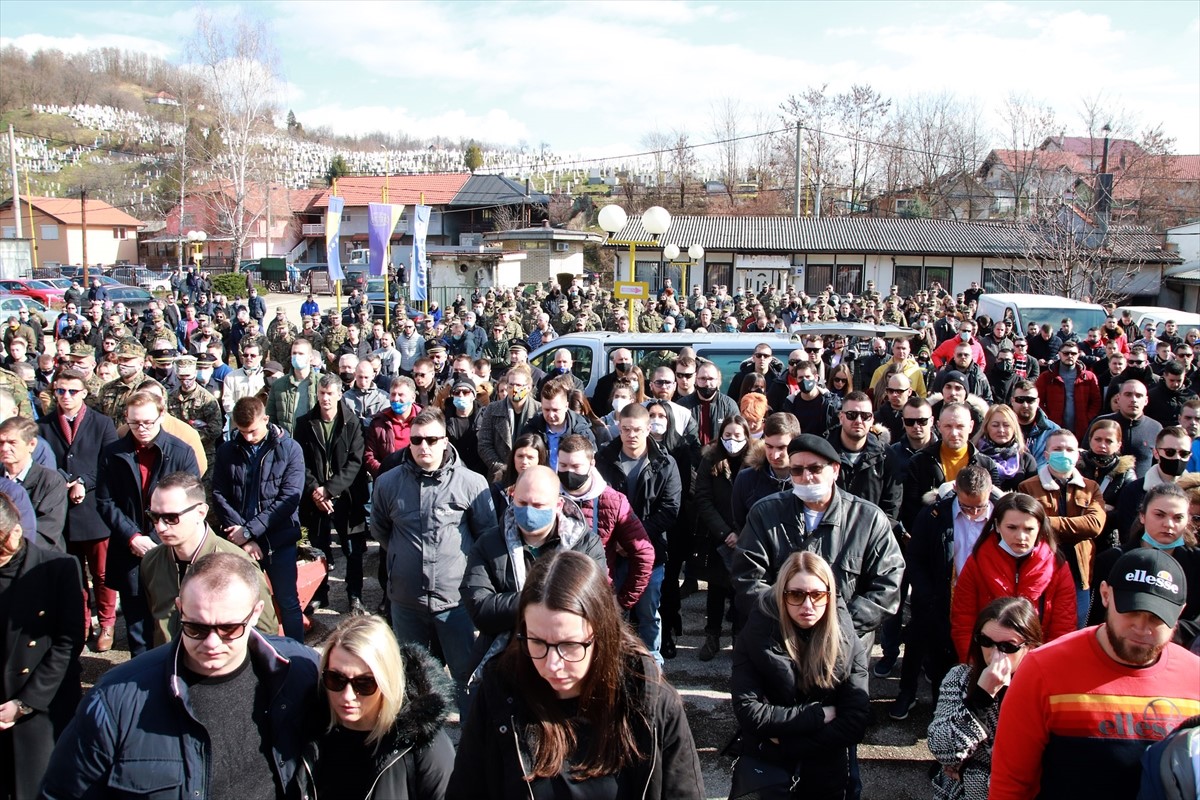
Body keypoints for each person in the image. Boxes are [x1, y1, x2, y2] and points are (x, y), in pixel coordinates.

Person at [41, 552, 321, 800]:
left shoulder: (298, 670)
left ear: (256, 613)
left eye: (229, 628)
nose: (212, 643)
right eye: (196, 628)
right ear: (179, 608)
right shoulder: (115, 700)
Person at [447, 550, 705, 799]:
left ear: (602, 635)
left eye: (569, 645)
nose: (552, 665)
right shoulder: (501, 695)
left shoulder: (651, 703)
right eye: (537, 642)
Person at [990, 548, 1200, 799]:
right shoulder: (1042, 669)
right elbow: (1010, 783)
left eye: (1157, 618)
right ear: (1105, 595)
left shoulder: (1194, 676)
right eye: (1131, 611)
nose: (1141, 628)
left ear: (1180, 612)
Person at [371, 407, 497, 717]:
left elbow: (486, 536)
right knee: (411, 678)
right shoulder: (388, 483)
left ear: (445, 440)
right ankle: (420, 745)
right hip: (406, 600)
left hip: (455, 603)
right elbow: (381, 531)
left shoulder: (472, 483)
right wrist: (404, 558)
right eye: (416, 440)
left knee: (465, 678)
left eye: (431, 439)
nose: (423, 447)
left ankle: (471, 742)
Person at [733, 433, 904, 648]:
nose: (806, 477)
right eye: (796, 470)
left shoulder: (868, 519)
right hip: (781, 644)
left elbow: (887, 585)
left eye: (815, 469)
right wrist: (791, 622)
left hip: (845, 646)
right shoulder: (764, 513)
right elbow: (748, 579)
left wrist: (835, 627)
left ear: (835, 470)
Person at [731, 551, 869, 800]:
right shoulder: (755, 634)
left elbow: (855, 722)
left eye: (817, 595)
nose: (808, 605)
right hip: (767, 772)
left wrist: (786, 742)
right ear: (782, 595)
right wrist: (818, 715)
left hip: (825, 774)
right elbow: (749, 712)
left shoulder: (847, 640)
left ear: (829, 596)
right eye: (796, 595)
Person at [463, 465, 606, 673]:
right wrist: (544, 598)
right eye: (522, 503)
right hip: (505, 663)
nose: (529, 511)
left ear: (558, 505)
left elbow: (593, 604)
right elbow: (480, 608)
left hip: (565, 664)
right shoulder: (488, 543)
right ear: (513, 497)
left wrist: (518, 603)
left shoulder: (586, 545)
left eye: (539, 505)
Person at [97, 390, 200, 655]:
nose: (141, 429)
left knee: (172, 620)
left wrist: (155, 538)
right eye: (134, 423)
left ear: (161, 415)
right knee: (136, 624)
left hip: (170, 548)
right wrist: (133, 537)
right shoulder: (113, 454)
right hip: (129, 548)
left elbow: (190, 502)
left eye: (147, 422)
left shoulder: (181, 452)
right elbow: (105, 501)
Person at [311, 616, 455, 800]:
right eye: (336, 679)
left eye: (364, 683)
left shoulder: (423, 747)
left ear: (388, 681)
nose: (347, 696)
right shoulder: (310, 728)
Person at [0, 492, 84, 800]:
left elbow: (68, 642)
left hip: (40, 705)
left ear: (16, 532)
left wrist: (24, 704)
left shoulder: (58, 567)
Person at [139, 472, 278, 647]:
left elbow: (266, 634)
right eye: (154, 517)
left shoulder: (238, 566)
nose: (160, 527)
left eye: (171, 518)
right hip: (170, 668)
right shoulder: (151, 562)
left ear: (201, 512)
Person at [927, 597, 1044, 800]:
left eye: (1008, 647)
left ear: (1030, 647)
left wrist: (968, 773)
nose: (995, 654)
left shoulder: (1042, 691)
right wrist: (981, 697)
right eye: (986, 642)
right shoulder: (960, 678)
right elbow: (941, 749)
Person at [211, 396, 307, 641]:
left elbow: (288, 499)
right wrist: (243, 537)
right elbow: (219, 493)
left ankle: (297, 654)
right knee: (240, 604)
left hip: (278, 539)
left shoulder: (290, 449)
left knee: (288, 602)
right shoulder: (227, 450)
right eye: (241, 431)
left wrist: (250, 531)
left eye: (252, 431)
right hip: (239, 540)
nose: (247, 437)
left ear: (266, 419)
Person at [594, 402, 681, 663]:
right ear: (618, 429)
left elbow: (670, 509)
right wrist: (618, 540)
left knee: (648, 613)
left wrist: (632, 540)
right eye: (626, 429)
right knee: (612, 613)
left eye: (637, 430)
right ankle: (612, 661)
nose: (632, 435)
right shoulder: (603, 460)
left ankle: (651, 662)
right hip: (612, 553)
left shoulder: (665, 463)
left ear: (648, 429)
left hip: (650, 552)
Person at [950, 493, 1076, 661]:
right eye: (1012, 527)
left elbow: (1063, 627)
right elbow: (963, 621)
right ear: (997, 525)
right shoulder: (977, 563)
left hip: (1037, 666)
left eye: (1029, 529)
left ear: (1040, 528)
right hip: (986, 661)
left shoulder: (1057, 567)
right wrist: (974, 664)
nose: (1021, 537)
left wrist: (1047, 669)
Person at [1088, 484, 1200, 651]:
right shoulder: (1112, 560)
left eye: (1178, 518)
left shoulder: (1196, 561)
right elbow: (1097, 618)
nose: (1168, 524)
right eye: (1159, 515)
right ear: (1142, 516)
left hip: (1181, 651)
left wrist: (1165, 631)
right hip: (1119, 648)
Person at [294, 373, 370, 615]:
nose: (325, 398)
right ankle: (320, 594)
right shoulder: (305, 423)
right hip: (315, 497)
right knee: (318, 548)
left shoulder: (353, 423)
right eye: (321, 393)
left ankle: (354, 595)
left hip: (347, 496)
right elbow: (300, 462)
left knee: (353, 551)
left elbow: (356, 462)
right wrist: (316, 491)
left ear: (339, 395)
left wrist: (329, 490)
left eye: (329, 394)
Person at [555, 434, 654, 614]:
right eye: (563, 466)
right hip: (552, 597)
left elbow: (644, 553)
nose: (569, 472)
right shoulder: (547, 494)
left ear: (591, 464)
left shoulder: (613, 500)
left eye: (576, 466)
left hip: (595, 598)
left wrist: (623, 601)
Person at [1018, 429, 1107, 627]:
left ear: (1078, 455)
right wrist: (1075, 525)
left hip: (1079, 573)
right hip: (1042, 570)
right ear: (1047, 454)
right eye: (1057, 449)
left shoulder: (1091, 487)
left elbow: (1094, 525)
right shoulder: (1027, 487)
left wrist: (1046, 521)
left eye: (1069, 449)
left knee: (1075, 627)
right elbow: (1028, 526)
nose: (1064, 453)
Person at [694, 414, 758, 661]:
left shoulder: (755, 462)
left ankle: (738, 637)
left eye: (737, 436)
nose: (732, 440)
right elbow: (703, 498)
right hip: (717, 537)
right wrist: (724, 532)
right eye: (727, 435)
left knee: (741, 591)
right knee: (716, 590)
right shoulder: (710, 459)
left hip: (747, 537)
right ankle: (712, 636)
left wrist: (741, 533)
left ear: (746, 436)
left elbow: (758, 501)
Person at [0, 415, 68, 552]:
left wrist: (11, 551)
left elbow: (47, 531)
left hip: (39, 560)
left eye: (12, 443)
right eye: (1, 443)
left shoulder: (51, 481)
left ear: (31, 445)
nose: (4, 448)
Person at [1077, 418, 1138, 550]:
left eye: (1109, 441)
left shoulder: (1125, 473)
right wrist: (1102, 507)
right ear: (1090, 440)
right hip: (1076, 535)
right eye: (1098, 439)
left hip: (1107, 539)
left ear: (1118, 445)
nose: (1102, 445)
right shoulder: (1076, 466)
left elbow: (1124, 512)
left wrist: (1088, 511)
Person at [1035, 340, 1101, 439]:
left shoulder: (1089, 377)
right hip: (1054, 428)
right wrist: (1047, 419)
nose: (1070, 356)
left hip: (1081, 428)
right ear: (1059, 354)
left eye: (1073, 353)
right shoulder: (1046, 377)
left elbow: (1096, 401)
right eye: (1066, 353)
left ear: (1078, 355)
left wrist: (1088, 418)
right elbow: (1038, 400)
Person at [972, 404, 1037, 491]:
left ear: (1014, 428)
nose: (1001, 430)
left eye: (1006, 425)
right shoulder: (974, 457)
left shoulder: (1026, 460)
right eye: (995, 425)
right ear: (986, 427)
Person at [265, 337, 321, 435]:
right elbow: (271, 417)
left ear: (310, 357)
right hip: (287, 442)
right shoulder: (278, 385)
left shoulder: (322, 382)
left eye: (301, 353)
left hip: (313, 441)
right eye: (294, 353)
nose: (296, 356)